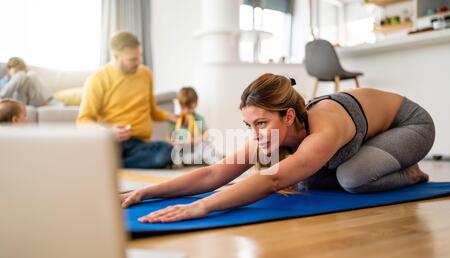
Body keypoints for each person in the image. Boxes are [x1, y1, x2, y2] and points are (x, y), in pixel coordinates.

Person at [121, 73, 435, 223]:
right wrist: (150, 192)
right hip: (367, 136)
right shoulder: (273, 132)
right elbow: (214, 173)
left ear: (287, 116)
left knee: (352, 178)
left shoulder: (324, 129)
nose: (255, 134)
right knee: (305, 178)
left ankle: (409, 172)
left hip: (408, 126)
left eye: (261, 124)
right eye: (249, 126)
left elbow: (271, 180)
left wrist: (202, 207)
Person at [77, 31, 177, 168]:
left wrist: (169, 116)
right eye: (132, 59)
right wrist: (109, 131)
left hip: (139, 145)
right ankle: (109, 161)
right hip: (112, 142)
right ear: (116, 56)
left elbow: (152, 110)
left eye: (139, 57)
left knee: (168, 151)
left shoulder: (145, 74)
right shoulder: (97, 79)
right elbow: (83, 121)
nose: (138, 63)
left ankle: (111, 164)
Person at [169, 87, 221, 165]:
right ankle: (188, 160)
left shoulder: (198, 119)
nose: (186, 111)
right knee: (175, 150)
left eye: (190, 108)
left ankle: (215, 161)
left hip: (196, 146)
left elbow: (206, 133)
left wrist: (197, 139)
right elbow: (169, 136)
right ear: (179, 105)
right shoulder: (176, 120)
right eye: (183, 108)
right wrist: (173, 142)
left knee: (205, 146)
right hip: (183, 149)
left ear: (196, 104)